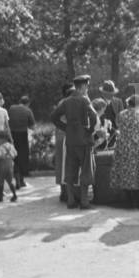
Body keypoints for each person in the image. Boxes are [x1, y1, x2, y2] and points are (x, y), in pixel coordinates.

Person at [51, 74, 97, 209]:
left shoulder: (66, 101)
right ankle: (84, 201)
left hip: (70, 140)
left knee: (70, 169)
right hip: (84, 140)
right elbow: (93, 117)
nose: (87, 89)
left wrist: (66, 128)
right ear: (83, 87)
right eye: (87, 87)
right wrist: (89, 130)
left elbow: (54, 117)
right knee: (86, 170)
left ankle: (70, 200)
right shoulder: (85, 100)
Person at [110, 95, 139, 206]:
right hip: (137, 144)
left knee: (125, 169)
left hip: (123, 144)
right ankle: (137, 199)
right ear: (138, 103)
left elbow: (119, 127)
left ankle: (128, 198)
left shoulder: (121, 114)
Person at [8, 94, 35, 189]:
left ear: (20, 101)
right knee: (22, 157)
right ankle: (21, 180)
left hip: (12, 135)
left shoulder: (11, 108)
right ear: (28, 103)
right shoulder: (28, 110)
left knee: (14, 157)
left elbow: (7, 121)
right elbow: (32, 126)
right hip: (22, 135)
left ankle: (17, 179)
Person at [54, 83, 73, 203]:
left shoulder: (61, 103)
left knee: (62, 163)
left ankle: (64, 191)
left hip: (61, 135)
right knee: (66, 163)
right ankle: (66, 192)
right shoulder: (67, 103)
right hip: (65, 135)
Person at [0, 131, 17, 202]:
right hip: (10, 167)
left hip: (2, 168)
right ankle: (14, 195)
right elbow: (14, 155)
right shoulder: (11, 146)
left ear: (2, 139)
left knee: (1, 183)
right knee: (10, 182)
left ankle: (1, 198)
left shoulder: (0, 147)